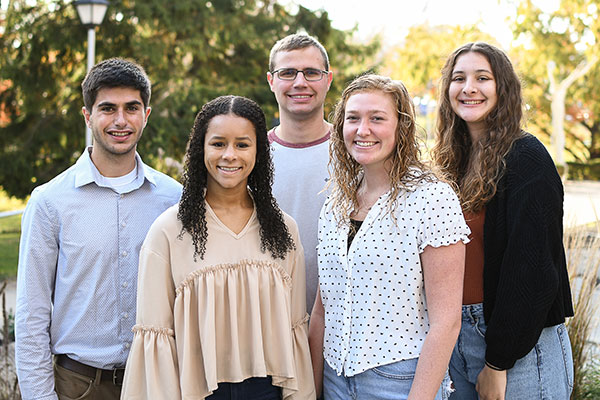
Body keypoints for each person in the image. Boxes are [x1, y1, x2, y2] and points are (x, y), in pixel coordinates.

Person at [120, 95, 316, 399]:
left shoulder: (282, 230)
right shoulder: (169, 232)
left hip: (268, 391)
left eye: (242, 144)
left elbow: (293, 330)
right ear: (201, 149)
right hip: (197, 391)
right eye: (218, 143)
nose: (229, 155)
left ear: (258, 151)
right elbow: (155, 337)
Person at [15, 58, 182, 400]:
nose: (120, 120)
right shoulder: (50, 202)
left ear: (145, 115)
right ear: (88, 115)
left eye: (131, 108)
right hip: (77, 386)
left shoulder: (173, 199)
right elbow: (32, 314)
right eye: (107, 108)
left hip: (156, 382)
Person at [309, 74, 470, 400]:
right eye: (352, 118)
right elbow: (323, 311)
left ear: (402, 127)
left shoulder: (431, 199)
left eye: (377, 119)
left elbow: (447, 322)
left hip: (400, 381)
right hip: (335, 380)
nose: (362, 129)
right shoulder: (335, 201)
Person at [432, 42, 574, 399]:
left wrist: (498, 363)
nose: (469, 88)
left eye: (483, 78)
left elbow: (534, 269)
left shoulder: (526, 159)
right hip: (458, 337)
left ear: (503, 88)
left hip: (518, 345)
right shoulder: (452, 161)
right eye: (458, 78)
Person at [266, 33, 333, 312]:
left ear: (328, 80)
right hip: (270, 321)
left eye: (311, 72)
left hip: (343, 328)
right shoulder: (250, 156)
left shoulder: (357, 152)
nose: (300, 82)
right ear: (271, 81)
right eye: (288, 72)